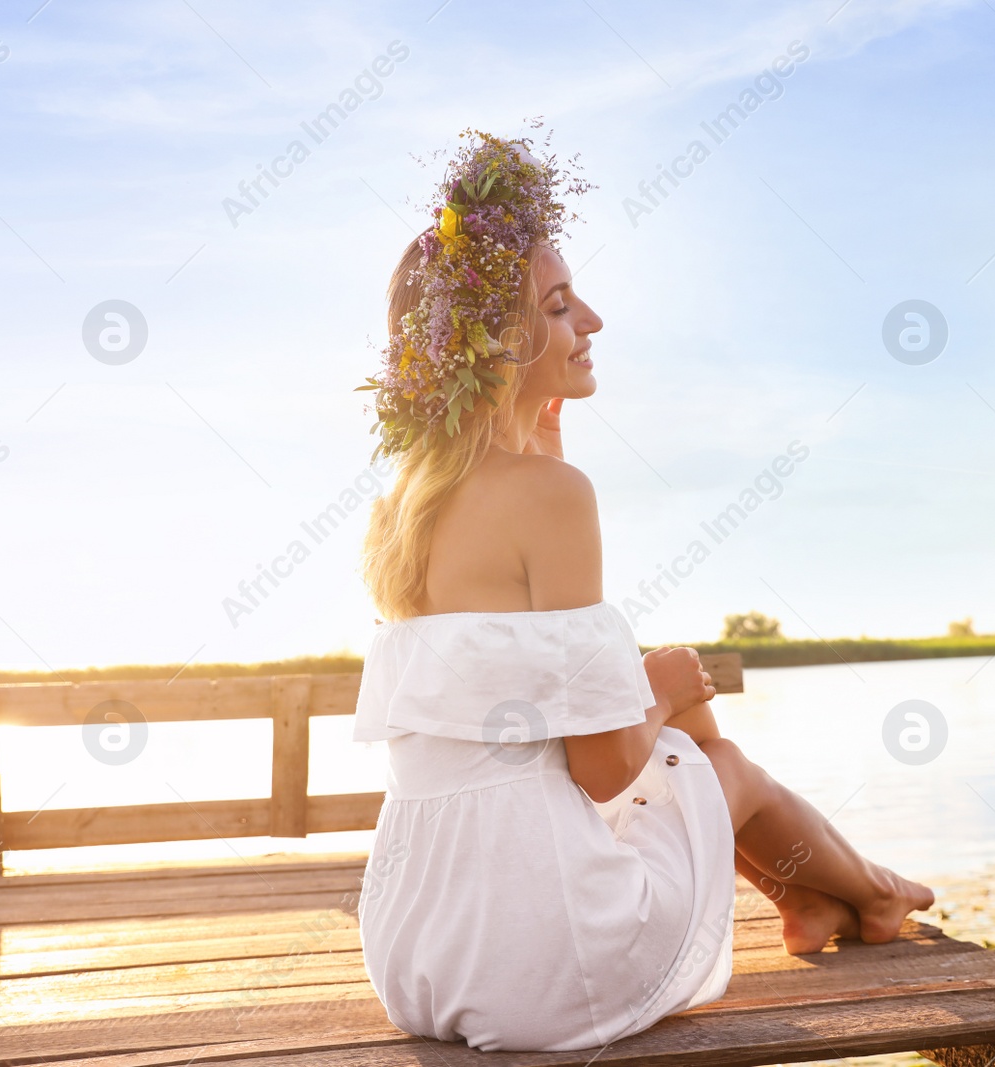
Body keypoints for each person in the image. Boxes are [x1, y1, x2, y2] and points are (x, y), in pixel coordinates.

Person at [352, 131, 933, 1052]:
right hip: (547, 966)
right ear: (501, 342)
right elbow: (602, 768)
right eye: (558, 304)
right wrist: (661, 684)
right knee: (720, 760)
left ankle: (816, 897)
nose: (592, 319)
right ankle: (869, 891)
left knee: (690, 749)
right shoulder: (554, 497)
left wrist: (541, 428)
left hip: (415, 956)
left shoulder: (404, 511)